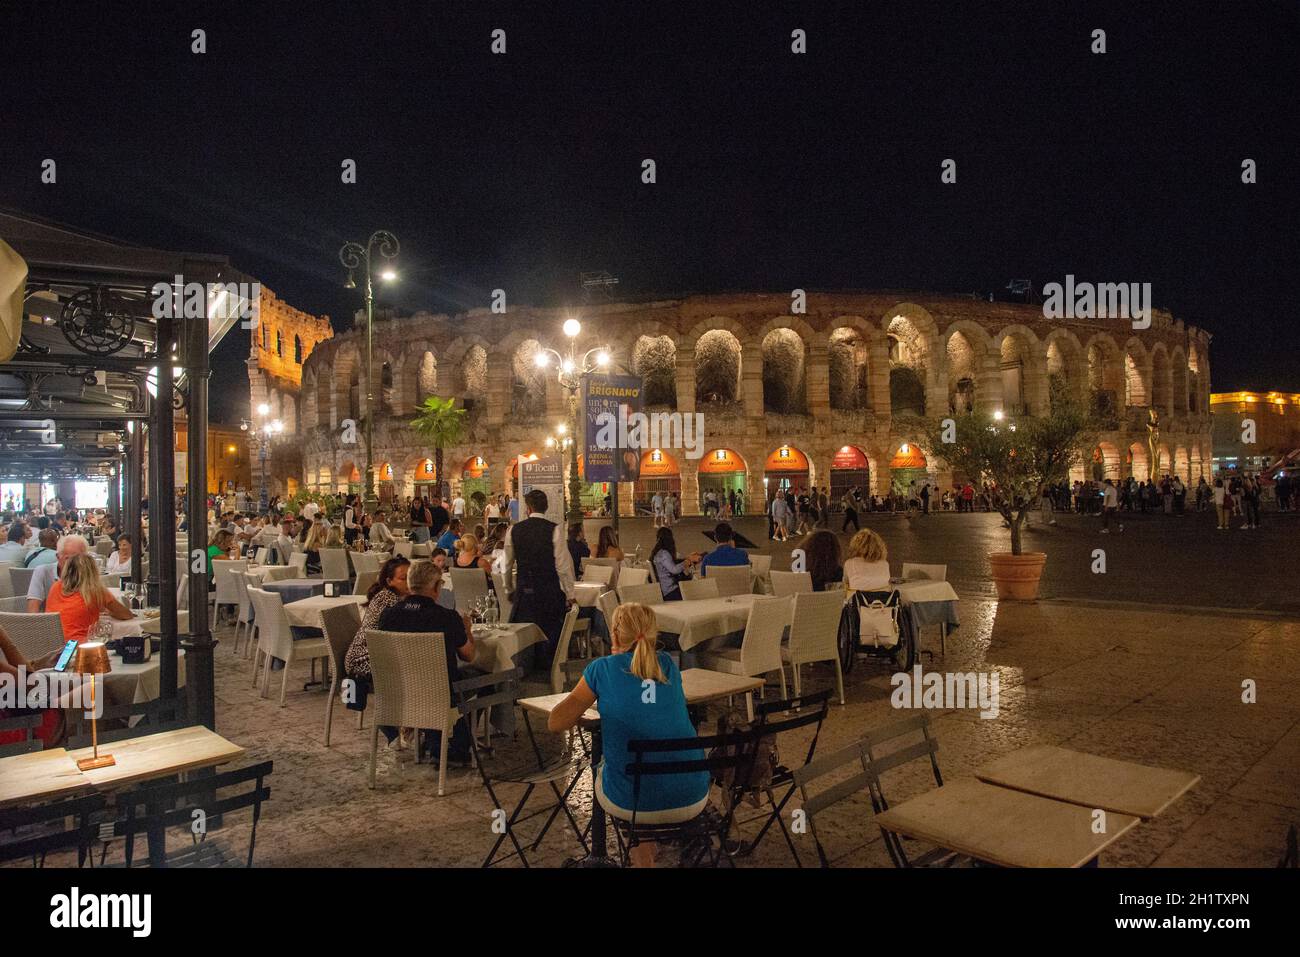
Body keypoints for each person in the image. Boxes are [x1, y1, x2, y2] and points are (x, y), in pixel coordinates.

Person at [547, 602, 709, 867]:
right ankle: (648, 849)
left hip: (633, 800)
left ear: (614, 634)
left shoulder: (602, 669)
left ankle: (639, 857)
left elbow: (556, 722)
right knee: (642, 765)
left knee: (616, 769)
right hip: (692, 794)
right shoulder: (667, 665)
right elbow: (653, 707)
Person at [377, 560, 476, 762]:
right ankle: (457, 746)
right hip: (442, 695)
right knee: (485, 679)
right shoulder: (447, 618)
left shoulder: (388, 616)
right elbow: (469, 655)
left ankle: (434, 739)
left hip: (399, 695)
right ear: (437, 587)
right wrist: (467, 629)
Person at [504, 490, 576, 658]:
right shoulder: (554, 530)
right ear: (546, 508)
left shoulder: (514, 530)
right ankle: (548, 666)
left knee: (524, 636)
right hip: (549, 592)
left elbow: (506, 564)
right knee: (549, 633)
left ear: (527, 509)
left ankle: (527, 666)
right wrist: (570, 593)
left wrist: (508, 588)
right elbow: (563, 566)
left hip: (525, 592)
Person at [344, 556, 411, 703]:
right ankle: (394, 718)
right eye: (403, 578)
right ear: (389, 581)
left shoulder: (400, 597)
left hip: (377, 653)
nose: (408, 582)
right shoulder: (388, 599)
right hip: (362, 660)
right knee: (417, 672)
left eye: (410, 577)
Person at [46, 553, 134, 645]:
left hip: (52, 645)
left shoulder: (55, 587)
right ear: (92, 571)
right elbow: (126, 614)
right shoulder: (94, 590)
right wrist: (110, 612)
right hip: (80, 645)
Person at [27, 534, 89, 612]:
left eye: (80, 559)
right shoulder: (43, 572)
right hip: (50, 622)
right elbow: (32, 611)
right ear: (58, 557)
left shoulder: (88, 574)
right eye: (68, 559)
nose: (75, 563)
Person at [649, 527, 700, 601]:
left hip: (664, 589)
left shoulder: (658, 553)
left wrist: (686, 558)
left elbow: (671, 563)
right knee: (694, 591)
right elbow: (674, 570)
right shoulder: (664, 553)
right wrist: (687, 561)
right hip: (670, 591)